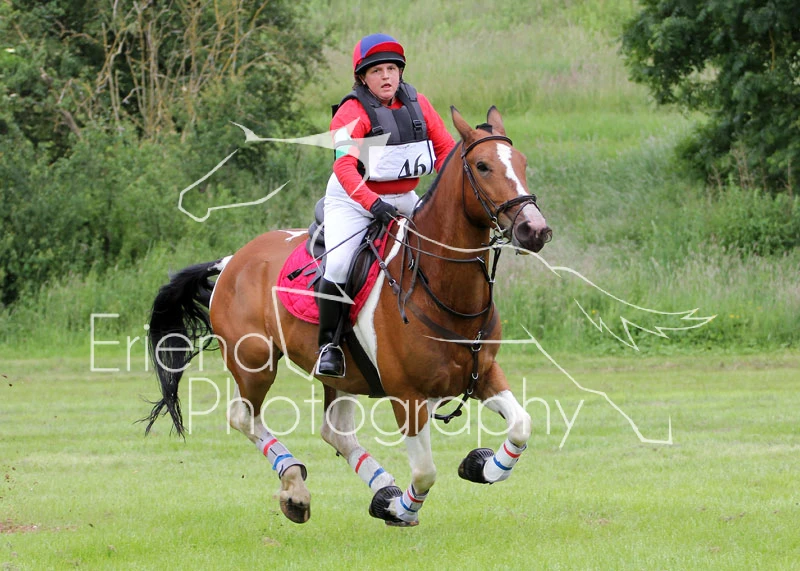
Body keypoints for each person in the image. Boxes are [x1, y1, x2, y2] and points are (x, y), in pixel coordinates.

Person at [315, 33, 456, 377]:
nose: (386, 76)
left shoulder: (419, 104)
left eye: (392, 69)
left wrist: (452, 189)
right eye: (377, 71)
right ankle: (329, 346)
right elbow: (344, 168)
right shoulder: (351, 113)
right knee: (338, 265)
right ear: (363, 77)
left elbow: (445, 152)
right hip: (352, 201)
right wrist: (372, 203)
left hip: (404, 198)